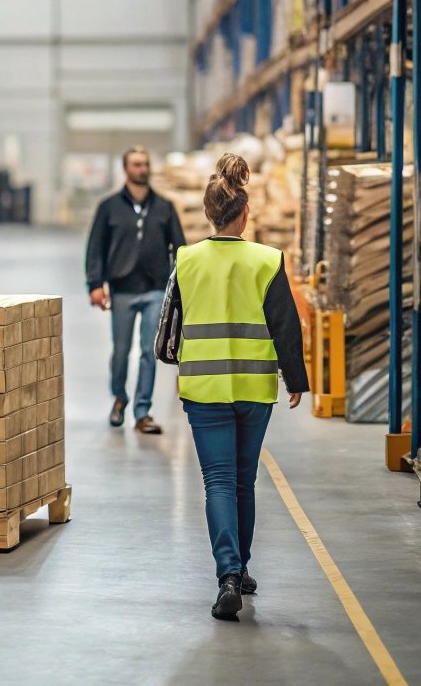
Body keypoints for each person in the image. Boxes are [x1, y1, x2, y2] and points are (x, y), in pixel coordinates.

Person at [155, 153, 309, 621]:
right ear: (244, 213)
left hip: (203, 388)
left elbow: (169, 324)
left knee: (217, 482)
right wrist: (296, 380)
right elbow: (285, 325)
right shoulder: (267, 260)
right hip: (254, 388)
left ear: (208, 213)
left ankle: (228, 575)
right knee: (244, 480)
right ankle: (240, 570)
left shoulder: (186, 260)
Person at [86, 146, 186, 433]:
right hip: (122, 290)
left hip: (155, 289)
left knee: (147, 351)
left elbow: (179, 248)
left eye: (145, 163)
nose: (142, 169)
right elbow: (96, 249)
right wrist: (95, 284)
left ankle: (143, 412)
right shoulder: (109, 207)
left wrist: (179, 286)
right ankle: (119, 398)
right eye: (136, 164)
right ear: (126, 169)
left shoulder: (164, 207)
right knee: (120, 351)